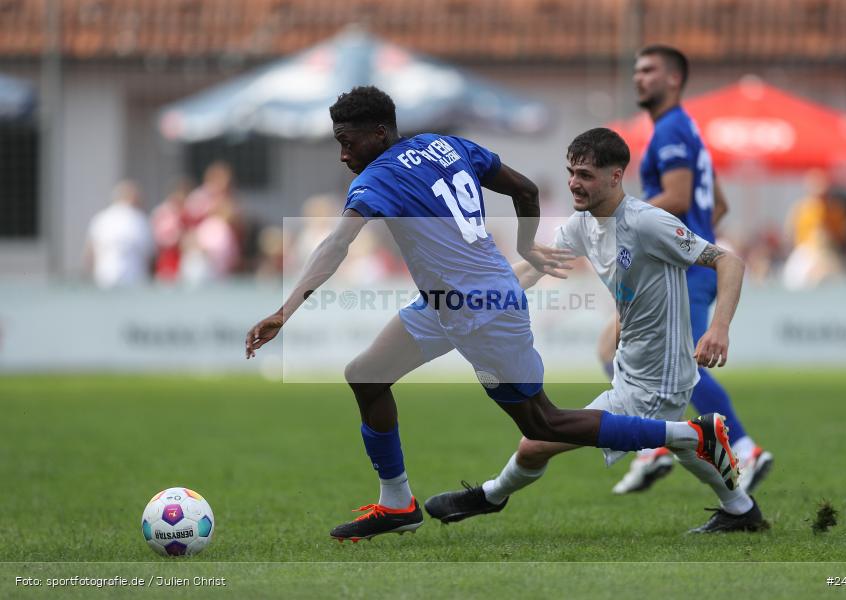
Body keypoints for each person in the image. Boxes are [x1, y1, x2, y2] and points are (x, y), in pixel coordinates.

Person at [244, 87, 739, 542]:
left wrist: (285, 311)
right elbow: (523, 189)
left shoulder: (377, 179)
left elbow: (336, 245)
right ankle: (397, 504)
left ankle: (690, 435)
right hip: (447, 304)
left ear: (380, 133)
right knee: (366, 375)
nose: (343, 153)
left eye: (346, 141)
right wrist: (527, 246)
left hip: (481, 312)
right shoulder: (446, 145)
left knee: (544, 425)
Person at [424, 128, 767, 533]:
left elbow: (729, 262)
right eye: (570, 171)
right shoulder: (581, 225)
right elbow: (536, 268)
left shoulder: (648, 223)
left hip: (662, 377)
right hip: (631, 369)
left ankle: (489, 497)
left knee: (537, 439)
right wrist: (476, 298)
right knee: (677, 443)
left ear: (616, 176)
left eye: (585, 174)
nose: (574, 182)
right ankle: (740, 508)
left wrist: (718, 329)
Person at [606, 45, 773, 494]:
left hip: (683, 271)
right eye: (636, 70)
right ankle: (653, 444)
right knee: (616, 348)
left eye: (649, 70)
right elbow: (717, 204)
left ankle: (741, 448)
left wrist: (618, 215)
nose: (638, 77)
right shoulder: (686, 129)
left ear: (674, 79)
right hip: (685, 266)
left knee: (678, 363)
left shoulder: (670, 130)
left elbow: (679, 198)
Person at [85, 179, 155, 289]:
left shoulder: (101, 218)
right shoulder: (138, 219)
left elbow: (90, 252)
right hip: (133, 278)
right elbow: (149, 254)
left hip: (104, 276)